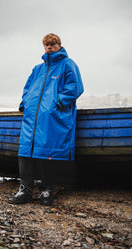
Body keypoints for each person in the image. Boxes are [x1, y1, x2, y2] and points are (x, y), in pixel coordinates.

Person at [9, 33, 84, 205]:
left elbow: (75, 88)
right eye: (46, 45)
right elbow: (27, 88)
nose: (49, 47)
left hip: (52, 118)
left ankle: (46, 190)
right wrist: (25, 103)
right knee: (25, 152)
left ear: (59, 45)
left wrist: (56, 103)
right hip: (32, 118)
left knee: (47, 153)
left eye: (52, 44)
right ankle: (25, 191)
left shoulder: (68, 64)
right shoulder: (38, 69)